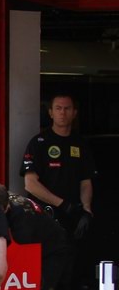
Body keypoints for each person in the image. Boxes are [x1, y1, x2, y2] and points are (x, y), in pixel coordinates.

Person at [21, 94, 95, 241]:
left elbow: (86, 182)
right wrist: (62, 204)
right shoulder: (39, 143)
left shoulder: (80, 144)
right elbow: (30, 184)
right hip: (44, 217)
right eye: (58, 108)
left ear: (74, 113)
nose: (62, 112)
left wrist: (86, 210)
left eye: (67, 108)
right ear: (51, 113)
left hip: (72, 217)